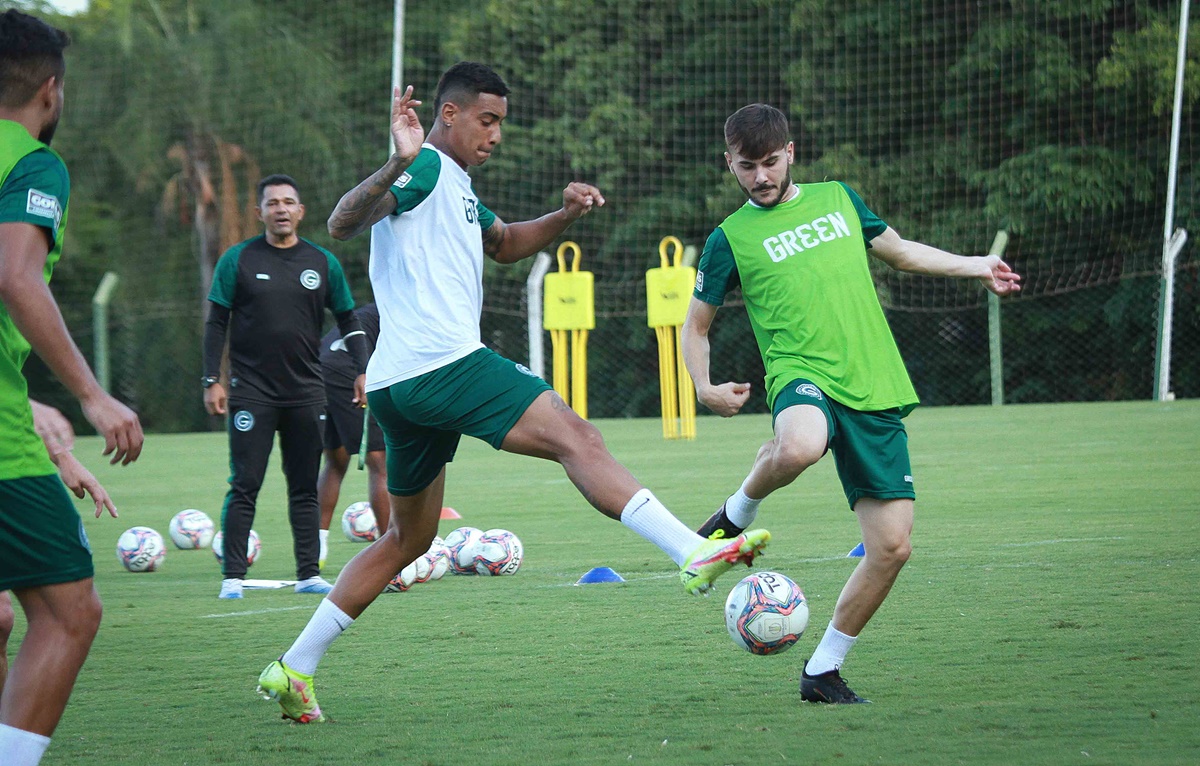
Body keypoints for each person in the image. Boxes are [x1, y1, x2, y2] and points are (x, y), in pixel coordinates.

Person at [256, 62, 770, 724]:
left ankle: (294, 666)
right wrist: (396, 163)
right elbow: (341, 222)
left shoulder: (458, 187)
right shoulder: (424, 169)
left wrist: (565, 213)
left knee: (407, 540)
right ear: (449, 114)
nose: (495, 134)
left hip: (395, 386)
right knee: (578, 436)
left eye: (500, 122)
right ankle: (693, 552)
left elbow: (502, 243)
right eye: (487, 120)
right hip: (443, 365)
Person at [681, 103, 1022, 704]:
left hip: (873, 382)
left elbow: (901, 251)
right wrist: (704, 387)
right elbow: (696, 326)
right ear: (728, 163)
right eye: (746, 166)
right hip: (800, 372)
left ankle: (822, 671)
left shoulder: (838, 198)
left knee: (891, 548)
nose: (760, 177)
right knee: (799, 446)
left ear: (790, 153)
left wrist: (977, 266)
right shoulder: (727, 238)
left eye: (769, 162)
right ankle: (734, 515)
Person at [0, 10, 144, 765]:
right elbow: (16, 276)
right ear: (50, 90)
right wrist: (92, 394)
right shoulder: (31, 162)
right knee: (67, 611)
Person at [202, 174, 369, 600]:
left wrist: (362, 370)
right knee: (245, 483)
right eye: (272, 203)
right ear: (259, 212)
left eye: (288, 202)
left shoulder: (322, 262)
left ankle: (309, 574)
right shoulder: (237, 259)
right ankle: (232, 577)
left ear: (300, 211)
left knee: (304, 486)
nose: (281, 209)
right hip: (250, 392)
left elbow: (348, 319)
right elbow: (216, 322)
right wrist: (211, 380)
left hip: (306, 392)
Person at [0, 400, 117, 707]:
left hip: (9, 467)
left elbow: (8, 390)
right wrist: (90, 395)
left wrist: (62, 455)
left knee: (2, 620)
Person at [316, 301, 388, 568]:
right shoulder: (403, 311)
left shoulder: (373, 310)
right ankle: (393, 550)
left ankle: (316, 548)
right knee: (380, 463)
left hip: (320, 368)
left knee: (336, 460)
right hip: (349, 372)